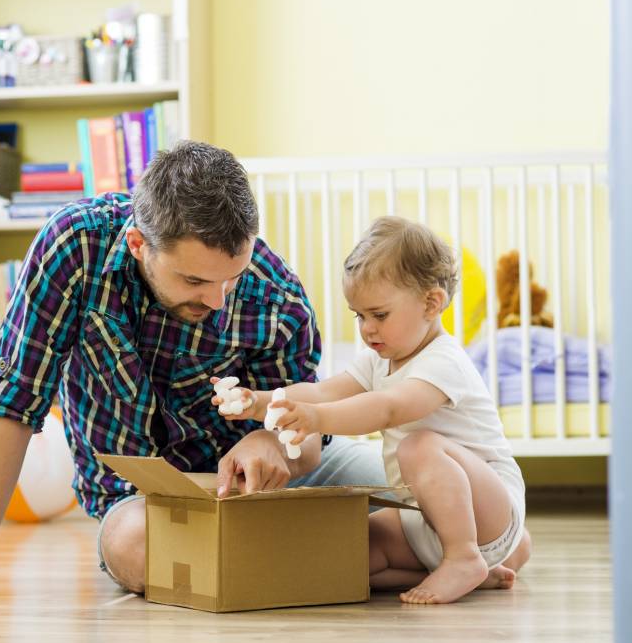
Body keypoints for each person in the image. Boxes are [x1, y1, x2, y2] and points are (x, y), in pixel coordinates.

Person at [0, 141, 386, 600]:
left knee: (426, 487)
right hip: (137, 501)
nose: (218, 299)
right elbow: (13, 403)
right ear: (139, 244)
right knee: (135, 545)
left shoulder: (276, 294)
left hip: (264, 493)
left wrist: (271, 441)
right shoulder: (74, 248)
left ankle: (288, 563)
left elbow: (307, 442)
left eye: (233, 277)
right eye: (195, 281)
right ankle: (350, 558)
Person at [215, 216, 531, 604]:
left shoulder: (443, 361)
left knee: (418, 446)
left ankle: (464, 557)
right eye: (359, 315)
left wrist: (318, 420)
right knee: (349, 554)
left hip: (486, 509)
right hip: (426, 515)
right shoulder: (378, 359)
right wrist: (261, 401)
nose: (367, 329)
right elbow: (324, 391)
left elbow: (387, 408)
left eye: (379, 315)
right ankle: (466, 570)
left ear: (431, 303)